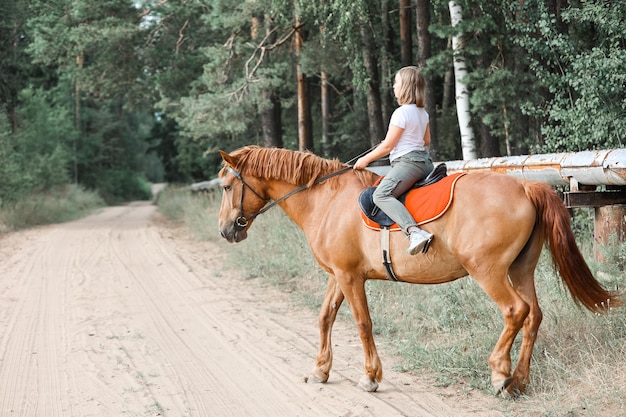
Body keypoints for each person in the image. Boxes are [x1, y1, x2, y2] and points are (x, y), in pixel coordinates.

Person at [353, 66, 434, 255]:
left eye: (396, 82)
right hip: (425, 163)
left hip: (408, 163)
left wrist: (364, 160)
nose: (393, 86)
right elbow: (426, 141)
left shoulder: (401, 113)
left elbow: (388, 147)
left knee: (380, 195)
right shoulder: (423, 113)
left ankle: (414, 232)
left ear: (405, 86)